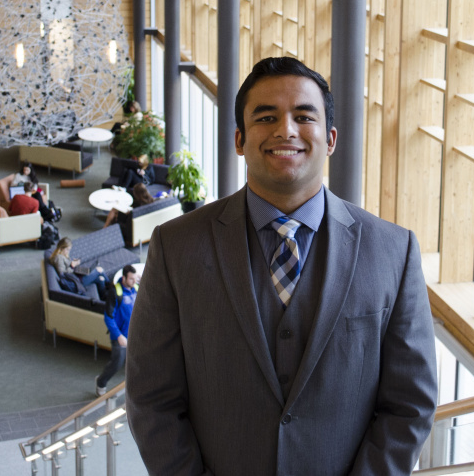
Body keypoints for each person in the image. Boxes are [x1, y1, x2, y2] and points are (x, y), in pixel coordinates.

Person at [125, 57, 438, 476]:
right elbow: (151, 397)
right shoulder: (176, 246)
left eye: (303, 116)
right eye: (266, 117)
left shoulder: (393, 251)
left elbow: (410, 403)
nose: (285, 130)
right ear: (239, 138)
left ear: (330, 139)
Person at [95, 264, 138, 396]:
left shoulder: (136, 288)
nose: (133, 281)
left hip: (135, 335)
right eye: (131, 279)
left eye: (135, 279)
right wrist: (119, 336)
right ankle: (101, 382)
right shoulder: (115, 293)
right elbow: (108, 318)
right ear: (124, 278)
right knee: (117, 363)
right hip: (120, 336)